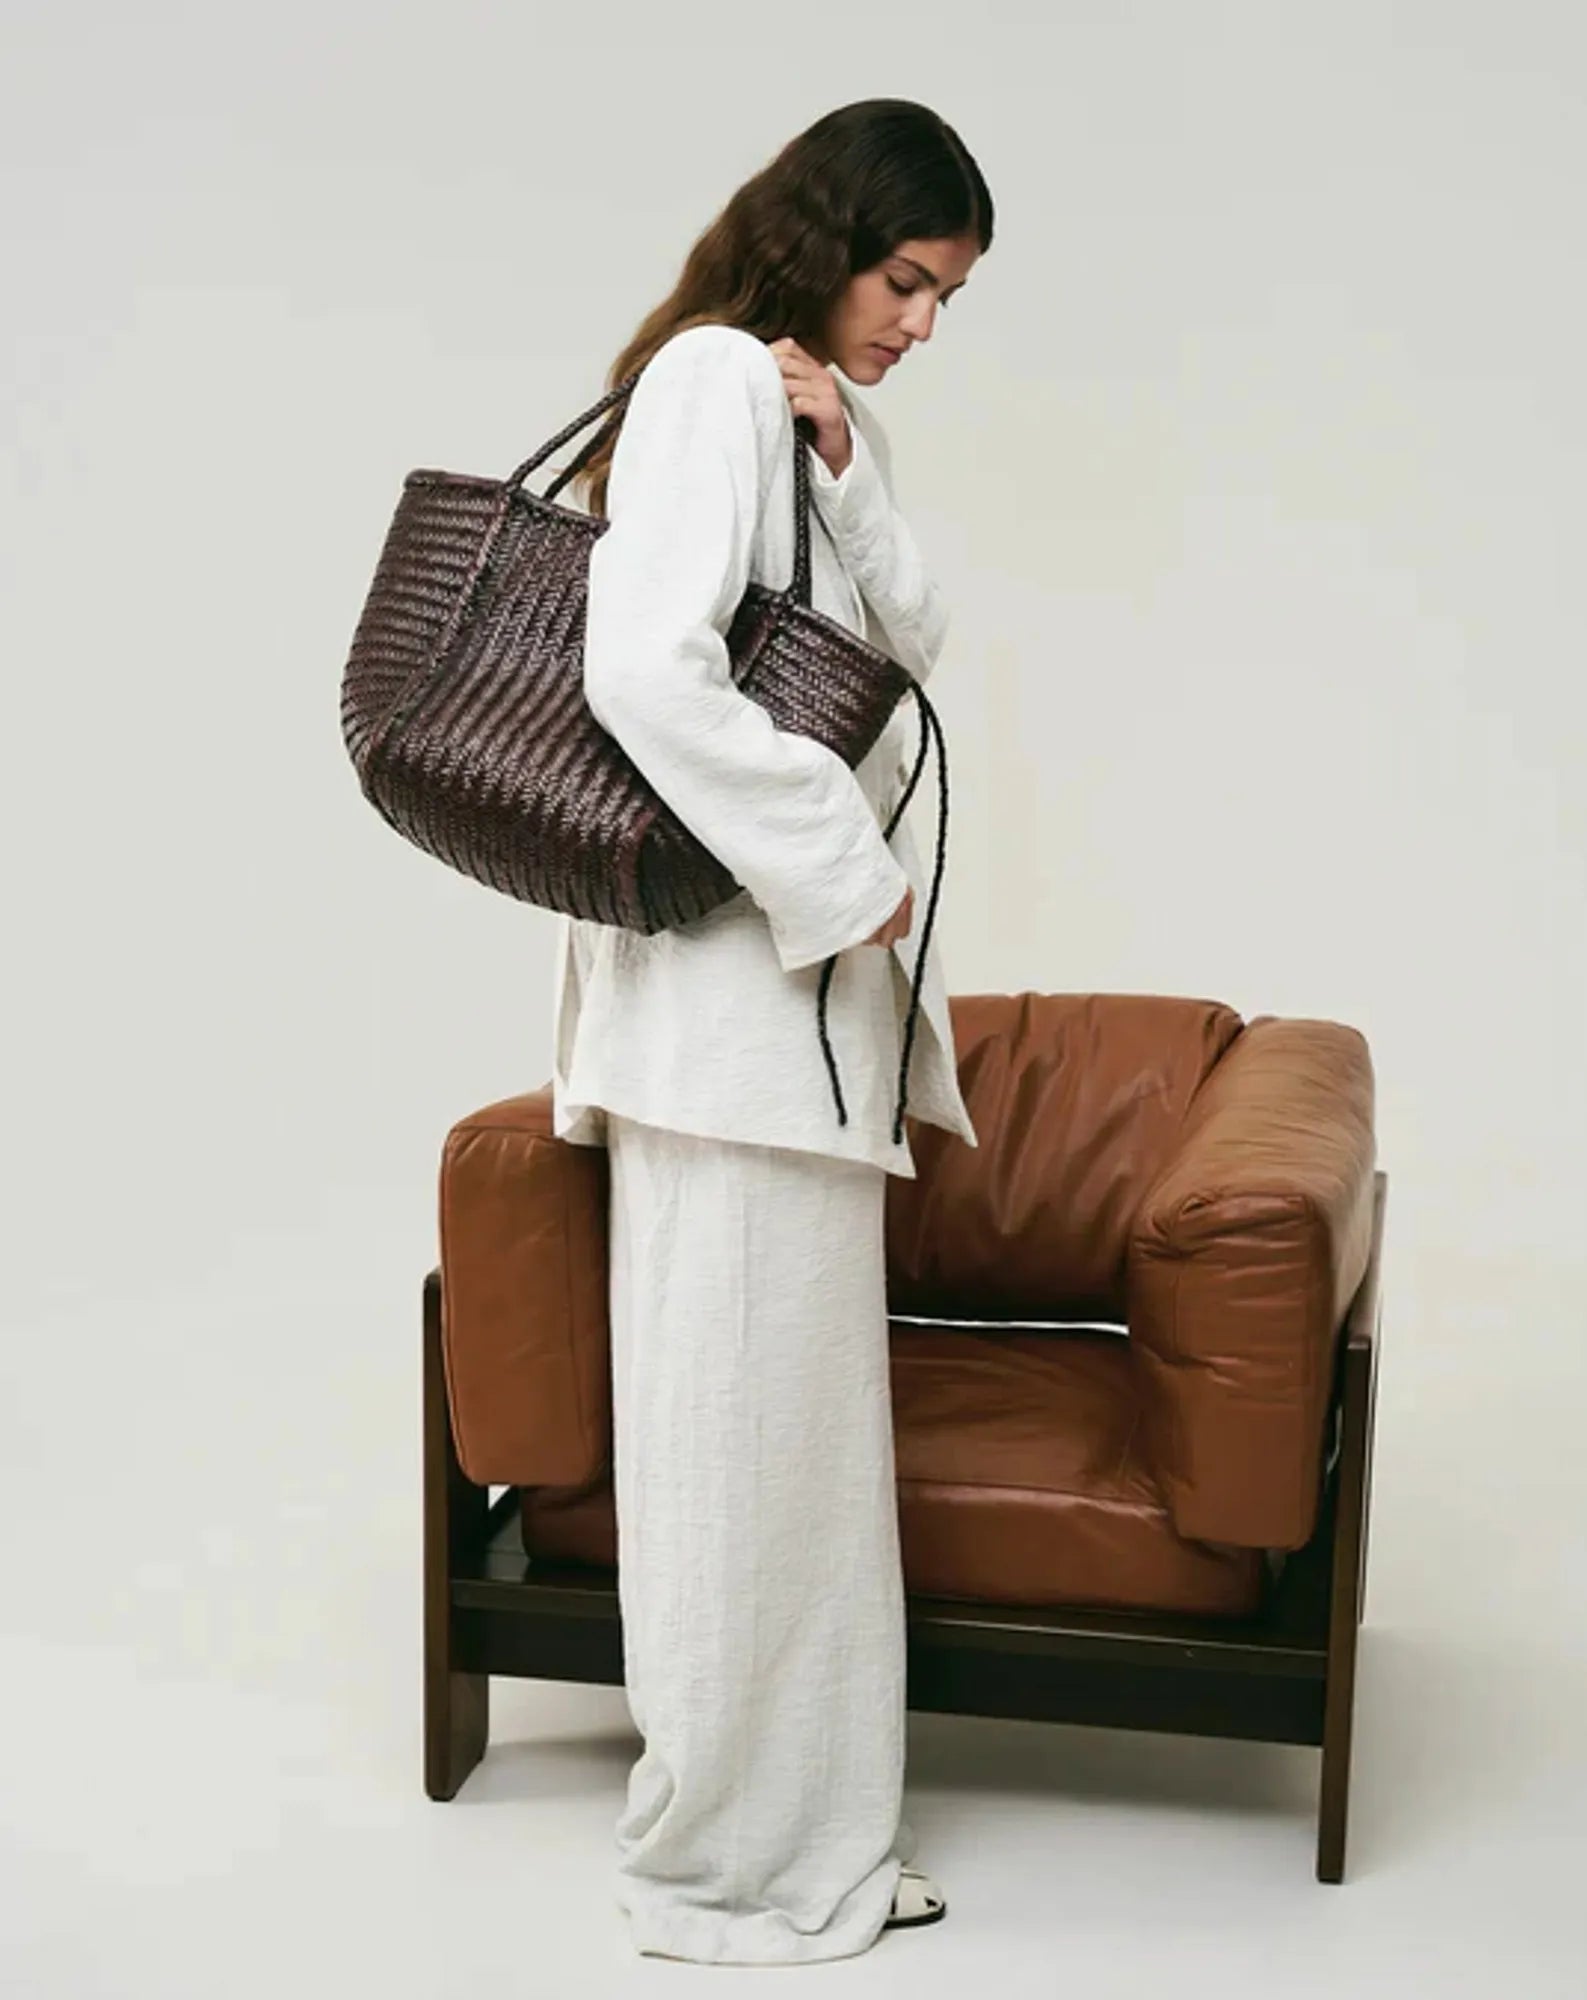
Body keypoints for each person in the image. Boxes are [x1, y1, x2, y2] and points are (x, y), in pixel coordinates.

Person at [551, 98, 993, 1966]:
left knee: (786, 1465)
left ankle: (806, 1833)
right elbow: (641, 670)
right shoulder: (709, 381)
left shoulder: (795, 409)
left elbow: (912, 644)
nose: (922, 322)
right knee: (735, 1464)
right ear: (827, 235)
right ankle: (728, 1877)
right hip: (731, 1035)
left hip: (785, 1035)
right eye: (907, 279)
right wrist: (842, 868)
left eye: (947, 297)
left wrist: (851, 469)